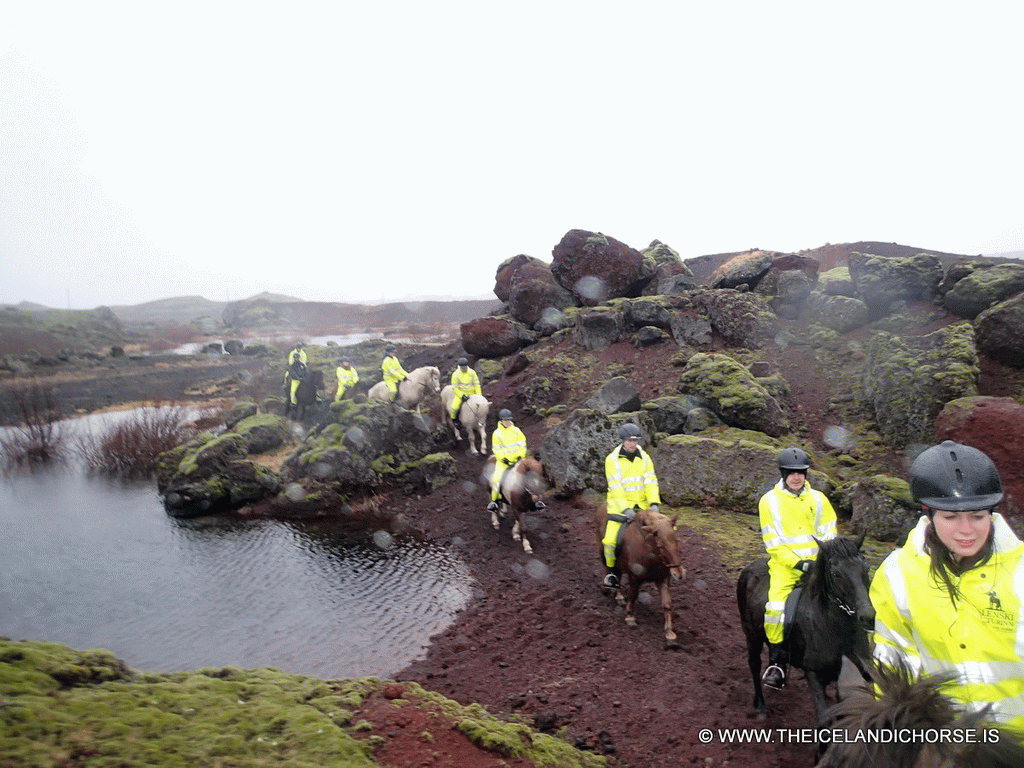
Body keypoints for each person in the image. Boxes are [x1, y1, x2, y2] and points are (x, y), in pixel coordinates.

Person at [870, 440, 1024, 731]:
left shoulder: (1021, 571)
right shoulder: (896, 573)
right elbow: (894, 657)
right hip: (944, 743)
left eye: (978, 517)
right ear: (928, 515)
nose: (966, 531)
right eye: (951, 517)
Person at [759, 446, 837, 691]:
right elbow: (773, 542)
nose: (796, 477)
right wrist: (798, 563)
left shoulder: (819, 499)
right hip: (787, 567)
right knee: (775, 609)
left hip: (819, 565)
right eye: (791, 472)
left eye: (801, 472)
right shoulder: (768, 502)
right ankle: (777, 663)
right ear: (783, 473)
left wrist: (821, 560)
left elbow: (830, 532)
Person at [601, 422, 662, 590]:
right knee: (610, 541)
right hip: (619, 508)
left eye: (635, 440)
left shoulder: (645, 458)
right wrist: (625, 508)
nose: (633, 444)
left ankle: (666, 565)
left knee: (667, 532)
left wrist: (654, 503)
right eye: (629, 441)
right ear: (622, 441)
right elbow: (616, 487)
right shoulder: (611, 460)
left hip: (643, 506)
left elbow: (651, 482)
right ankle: (612, 573)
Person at [487, 408, 545, 514]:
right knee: (496, 478)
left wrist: (520, 456)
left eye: (509, 420)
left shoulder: (517, 431)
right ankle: (494, 502)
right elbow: (496, 449)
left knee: (530, 475)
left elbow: (522, 445)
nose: (507, 422)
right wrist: (502, 458)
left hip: (517, 460)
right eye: (505, 420)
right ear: (501, 421)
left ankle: (536, 501)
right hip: (503, 462)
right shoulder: (496, 433)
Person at [449, 357, 481, 425]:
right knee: (455, 407)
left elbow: (476, 384)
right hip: (461, 394)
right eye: (462, 368)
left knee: (480, 406)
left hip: (472, 393)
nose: (464, 369)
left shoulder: (472, 372)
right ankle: (455, 420)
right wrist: (462, 395)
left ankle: (480, 420)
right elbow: (455, 388)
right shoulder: (455, 374)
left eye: (465, 367)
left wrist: (479, 395)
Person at [284, 342, 308, 409]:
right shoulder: (292, 353)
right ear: (296, 347)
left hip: (301, 366)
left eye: (300, 347)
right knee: (286, 374)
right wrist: (294, 366)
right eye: (298, 347)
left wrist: (302, 368)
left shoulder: (303, 353)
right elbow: (290, 361)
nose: (299, 349)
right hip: (294, 367)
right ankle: (285, 384)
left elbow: (304, 361)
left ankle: (317, 397)